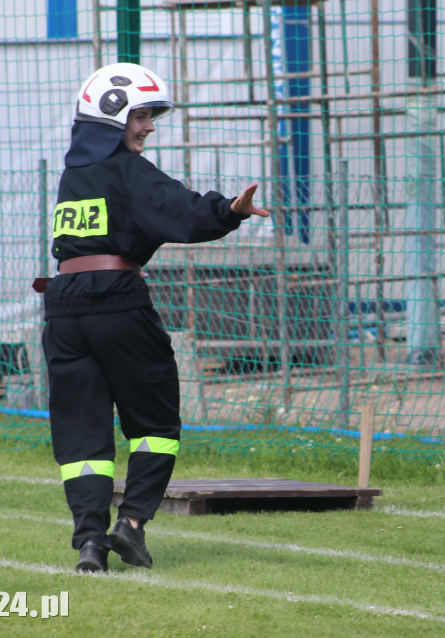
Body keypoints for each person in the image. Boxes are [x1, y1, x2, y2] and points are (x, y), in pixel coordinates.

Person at [38, 62, 269, 573]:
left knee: (82, 437)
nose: (149, 126)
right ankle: (133, 523)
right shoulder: (129, 170)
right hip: (117, 300)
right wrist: (228, 210)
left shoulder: (72, 175)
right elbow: (180, 211)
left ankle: (90, 545)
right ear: (112, 115)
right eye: (141, 115)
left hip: (62, 305)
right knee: (156, 423)